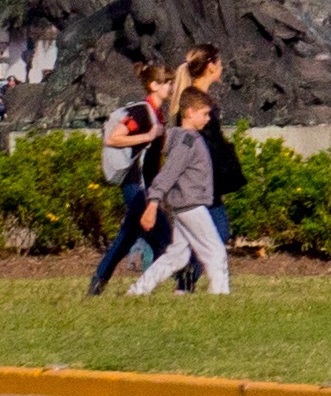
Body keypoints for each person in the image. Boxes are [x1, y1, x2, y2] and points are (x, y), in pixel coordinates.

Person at [119, 58, 238, 298]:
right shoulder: (187, 140)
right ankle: (221, 299)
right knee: (215, 252)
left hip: (185, 205)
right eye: (204, 114)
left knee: (178, 255)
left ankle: (138, 291)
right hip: (191, 205)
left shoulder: (187, 138)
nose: (207, 119)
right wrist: (152, 204)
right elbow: (169, 173)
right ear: (190, 112)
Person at [83, 80, 163, 297]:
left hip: (144, 184)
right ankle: (179, 285)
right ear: (154, 85)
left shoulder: (157, 114)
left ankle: (97, 283)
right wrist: (149, 136)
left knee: (127, 237)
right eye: (169, 83)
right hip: (133, 183)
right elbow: (113, 138)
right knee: (164, 236)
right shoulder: (141, 112)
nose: (172, 88)